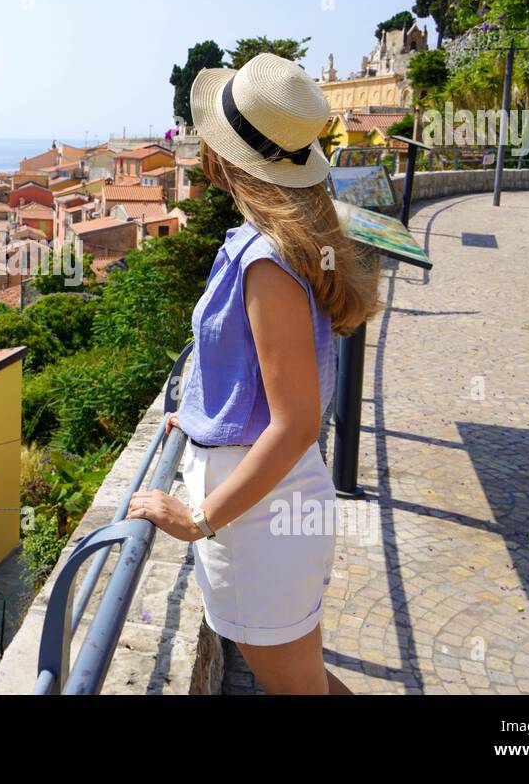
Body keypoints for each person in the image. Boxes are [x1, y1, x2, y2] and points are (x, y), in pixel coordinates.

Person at [127, 53, 379, 694]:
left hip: (258, 517)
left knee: (299, 688)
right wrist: (208, 412)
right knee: (307, 682)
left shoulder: (266, 259)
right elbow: (263, 380)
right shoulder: (279, 242)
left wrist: (198, 519)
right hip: (268, 503)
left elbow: (295, 422)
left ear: (225, 155)